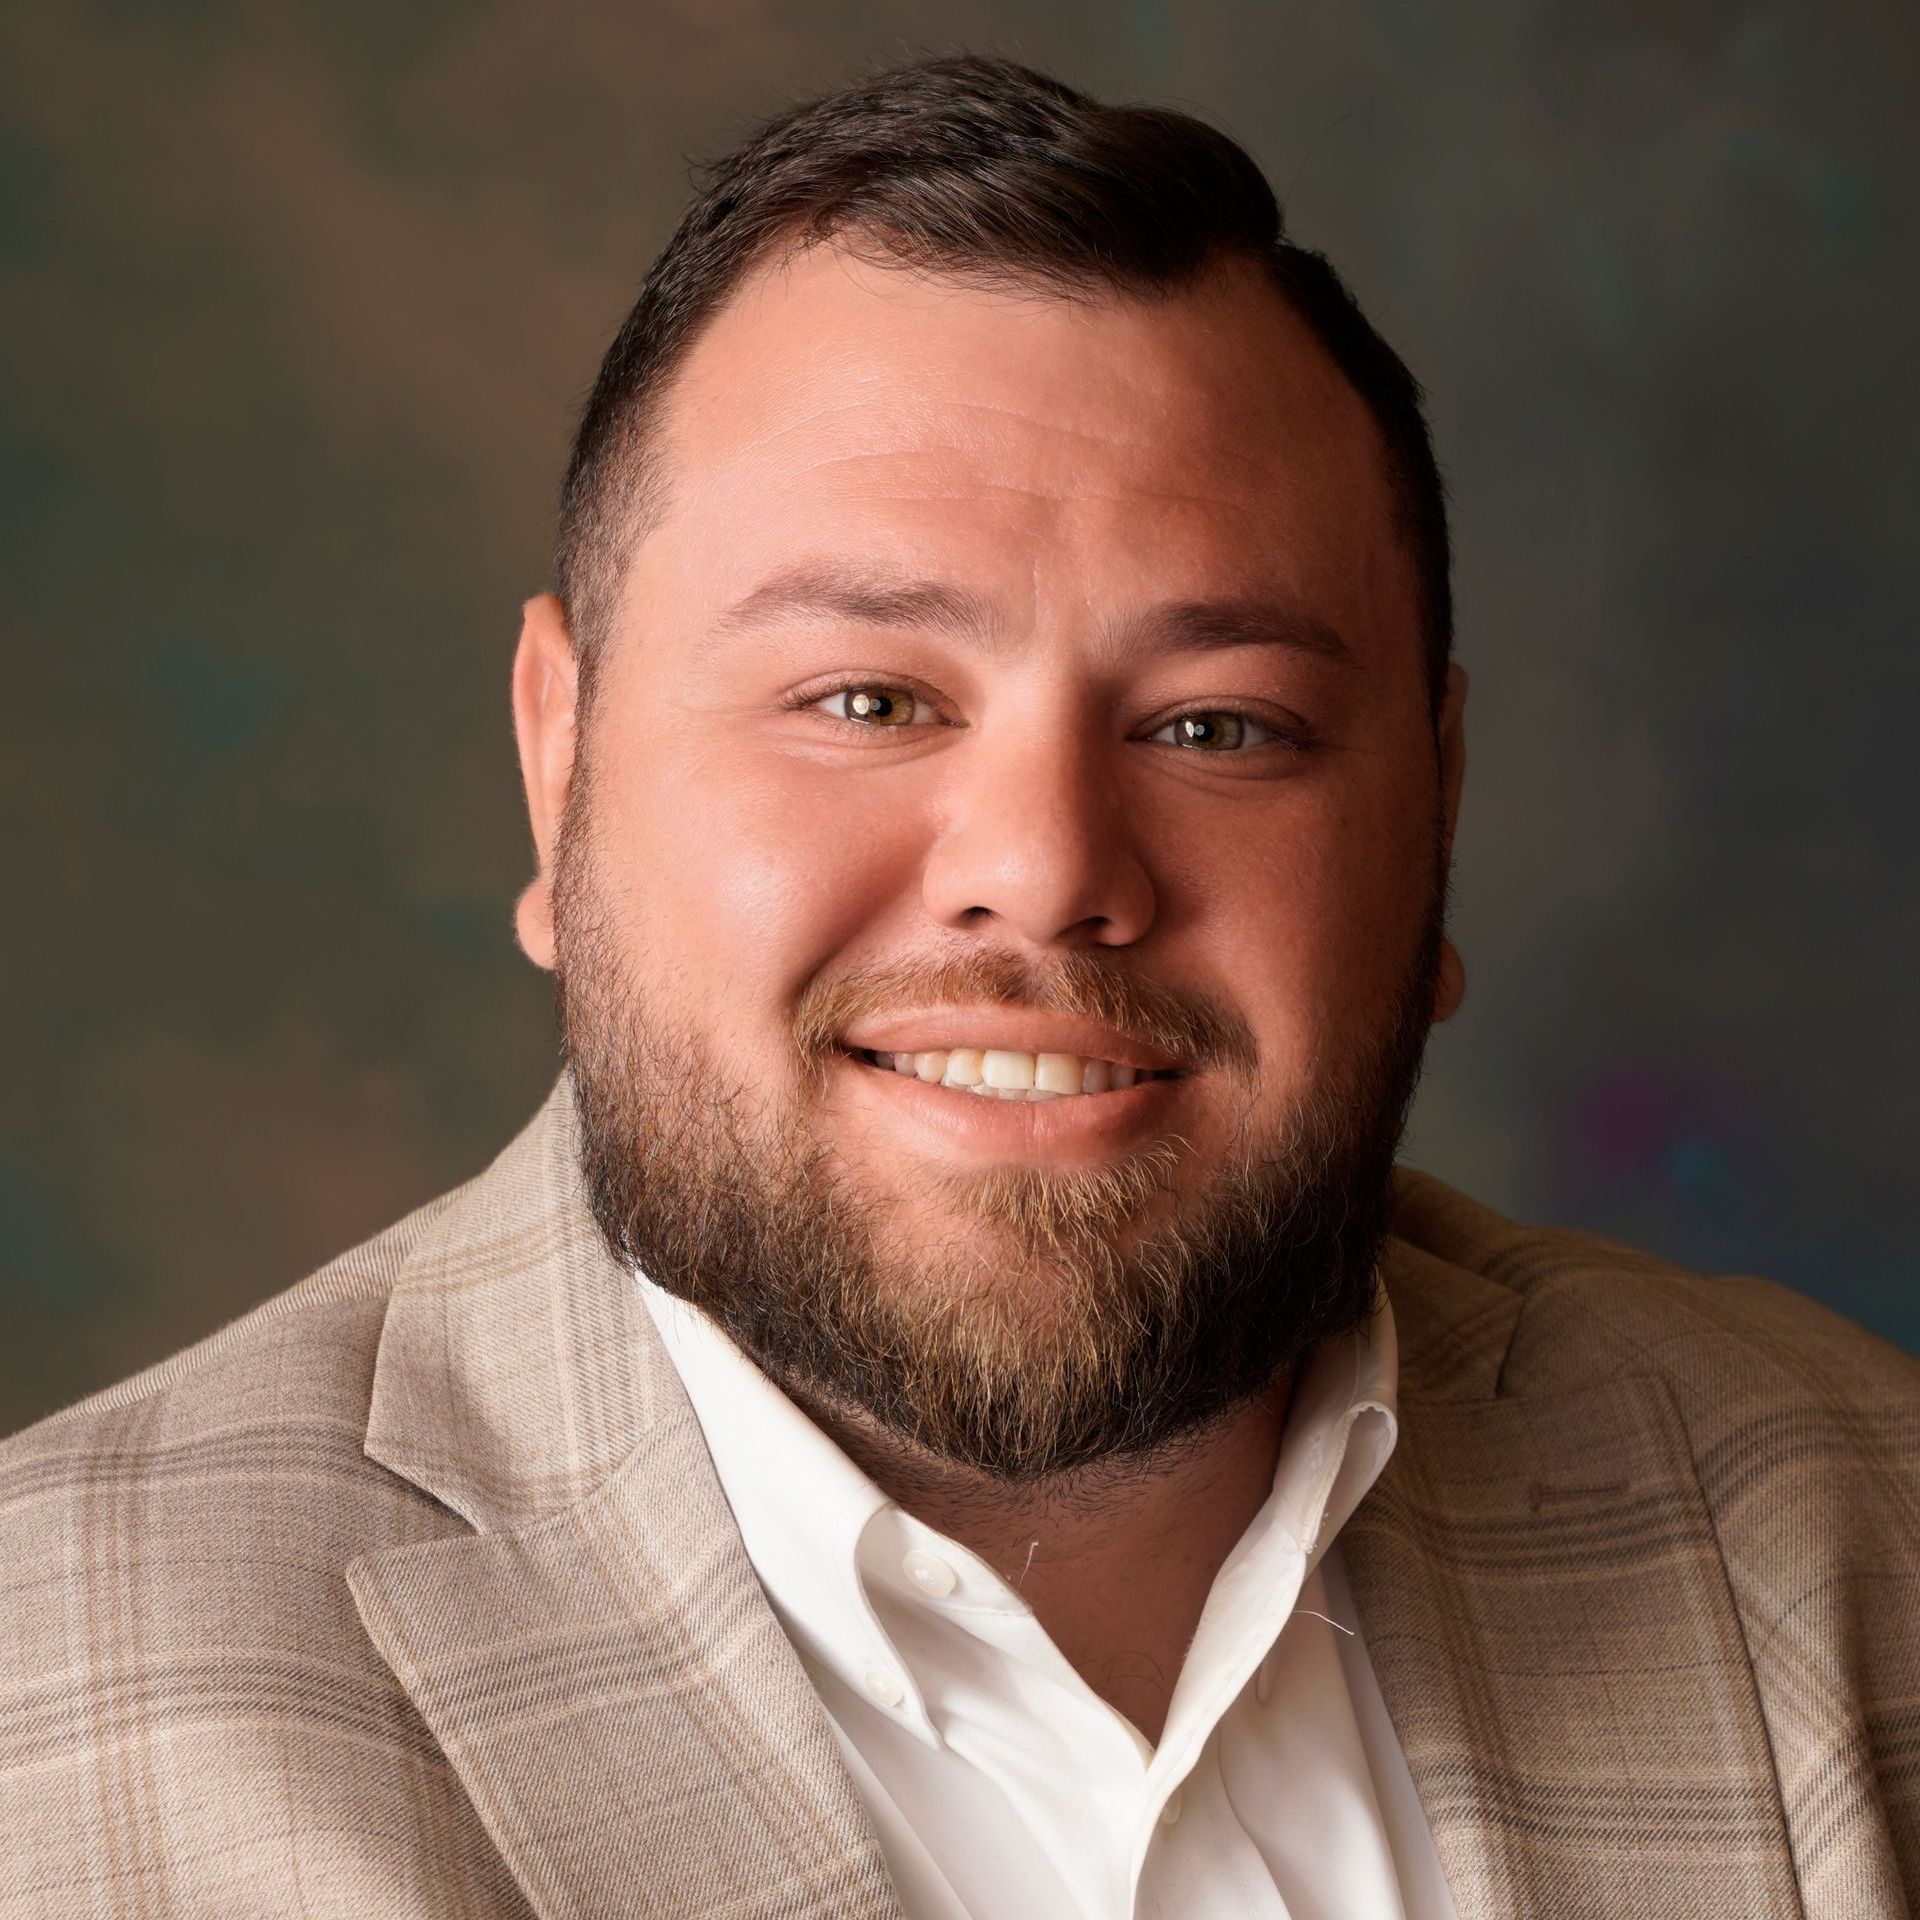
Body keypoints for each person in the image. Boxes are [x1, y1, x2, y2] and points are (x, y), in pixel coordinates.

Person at [2, 52, 1914, 1920]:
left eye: (1221, 723)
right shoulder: (50, 1704)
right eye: (867, 699)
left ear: (1438, 813)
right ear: (557, 760)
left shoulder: (1857, 1530)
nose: (1047, 867)